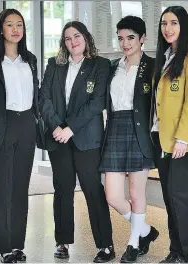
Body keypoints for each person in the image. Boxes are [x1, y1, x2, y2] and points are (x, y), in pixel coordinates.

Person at [39, 21, 115, 263]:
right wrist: (58, 127)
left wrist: (70, 128)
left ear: (86, 37)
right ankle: (62, 242)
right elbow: (44, 98)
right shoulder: (54, 64)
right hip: (58, 138)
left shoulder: (100, 65)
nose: (73, 41)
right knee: (63, 190)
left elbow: (97, 103)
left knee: (93, 190)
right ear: (64, 42)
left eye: (77, 36)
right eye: (68, 38)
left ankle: (106, 245)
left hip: (86, 139)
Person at [99, 16, 159, 263]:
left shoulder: (153, 66)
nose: (125, 43)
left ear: (143, 38)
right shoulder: (112, 66)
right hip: (114, 130)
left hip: (139, 131)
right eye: (121, 38)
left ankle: (134, 243)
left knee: (136, 193)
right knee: (112, 195)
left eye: (131, 38)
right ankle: (145, 230)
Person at [0, 9, 39, 264]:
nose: (15, 29)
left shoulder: (31, 60)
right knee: (3, 189)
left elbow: (36, 94)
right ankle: (3, 246)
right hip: (2, 125)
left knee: (20, 189)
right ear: (1, 29)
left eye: (19, 24)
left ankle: (17, 244)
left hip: (27, 124)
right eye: (9, 25)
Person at [151, 6, 188, 263]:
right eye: (164, 23)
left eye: (173, 23)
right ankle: (175, 251)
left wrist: (182, 138)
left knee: (180, 197)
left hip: (181, 142)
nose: (168, 28)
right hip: (161, 139)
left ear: (183, 26)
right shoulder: (165, 57)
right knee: (169, 198)